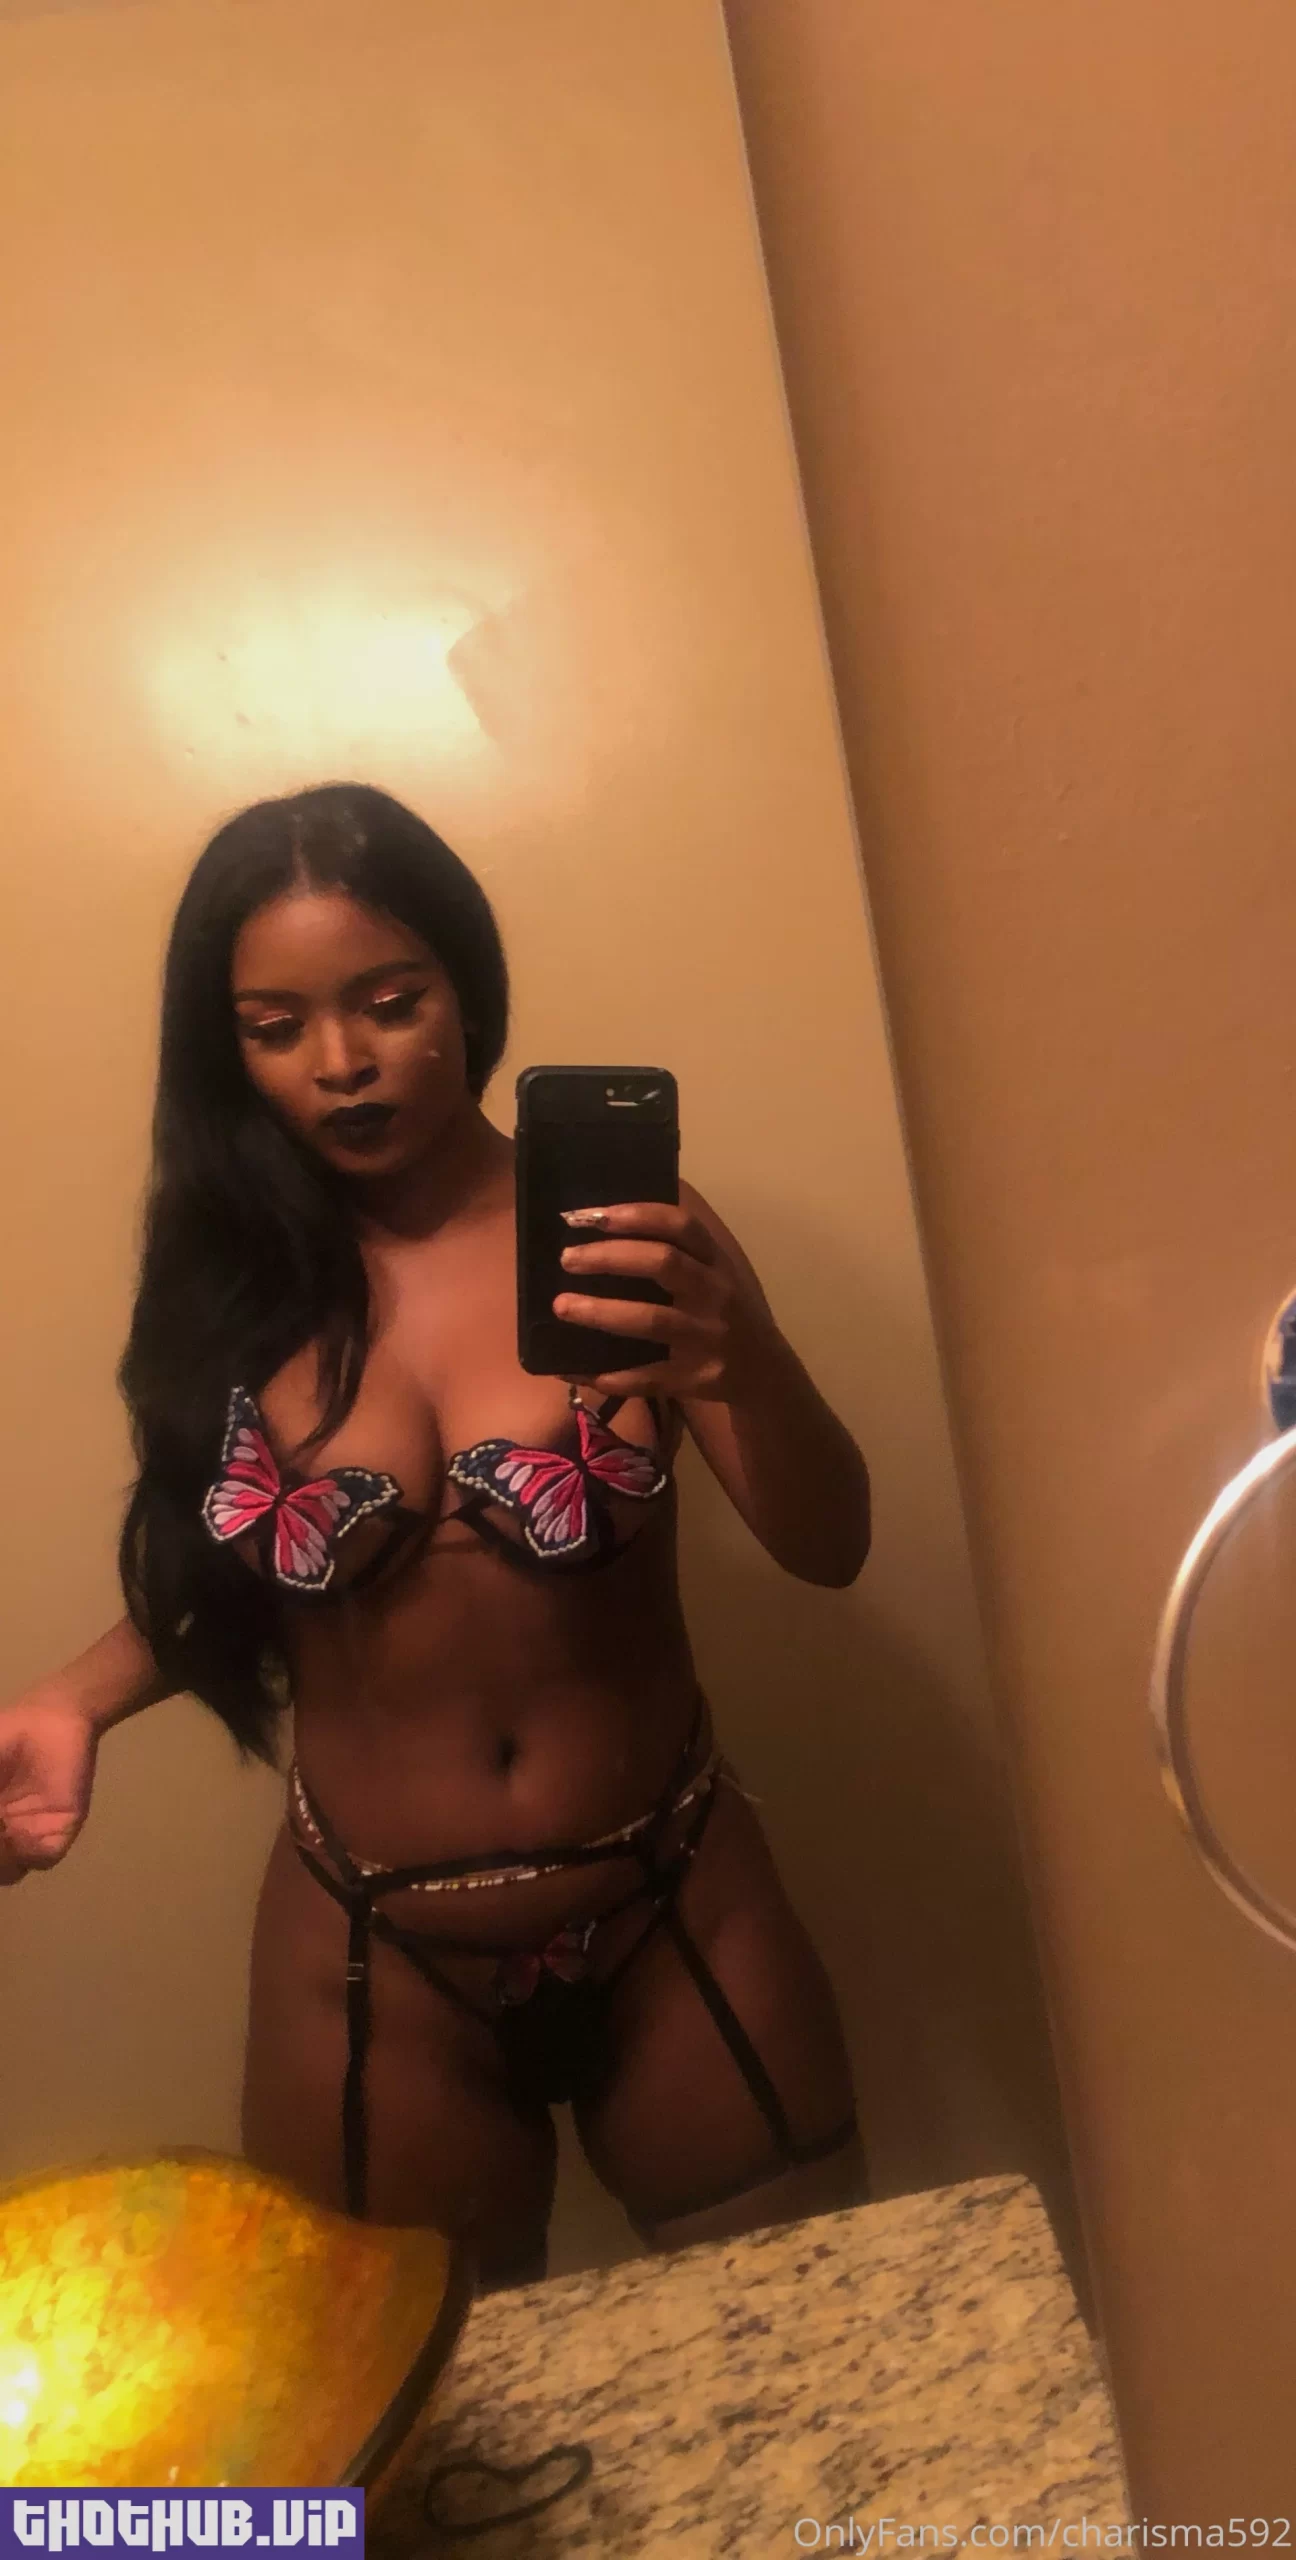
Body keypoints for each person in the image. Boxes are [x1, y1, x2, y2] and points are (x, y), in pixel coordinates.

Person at [0, 784, 872, 2285]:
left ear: (468, 989)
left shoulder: (630, 1233)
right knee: (423, 2403)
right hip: (370, 1956)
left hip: (678, 1905)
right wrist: (72, 1701)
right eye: (276, 1028)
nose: (341, 1062)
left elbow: (829, 1543)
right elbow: (239, 1572)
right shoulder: (235, 1284)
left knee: (803, 2349)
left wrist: (744, 1365)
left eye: (390, 1002)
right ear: (229, 1050)